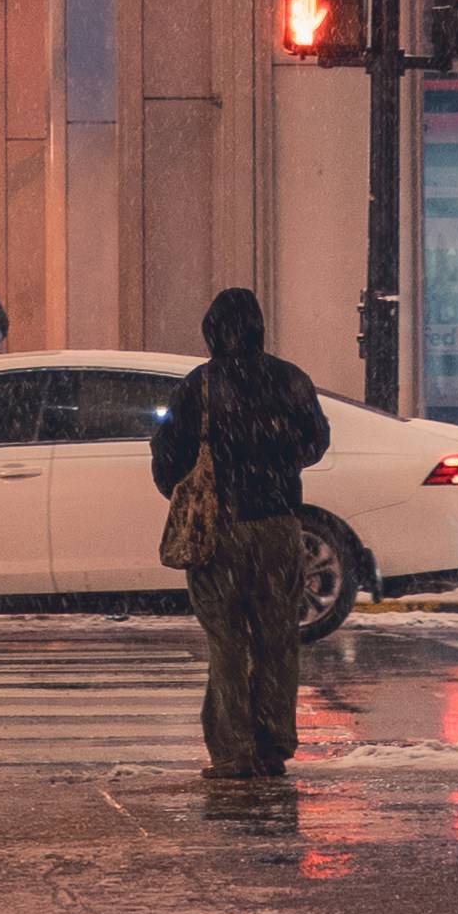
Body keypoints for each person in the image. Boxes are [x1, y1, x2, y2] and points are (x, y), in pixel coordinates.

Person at [147, 281, 329, 792]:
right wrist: (276, 464)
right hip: (278, 526)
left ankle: (233, 751)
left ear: (212, 331)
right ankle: (273, 744)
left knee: (226, 643)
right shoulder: (290, 379)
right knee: (277, 641)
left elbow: (168, 456)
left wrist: (193, 489)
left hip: (220, 529)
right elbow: (316, 442)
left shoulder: (199, 386)